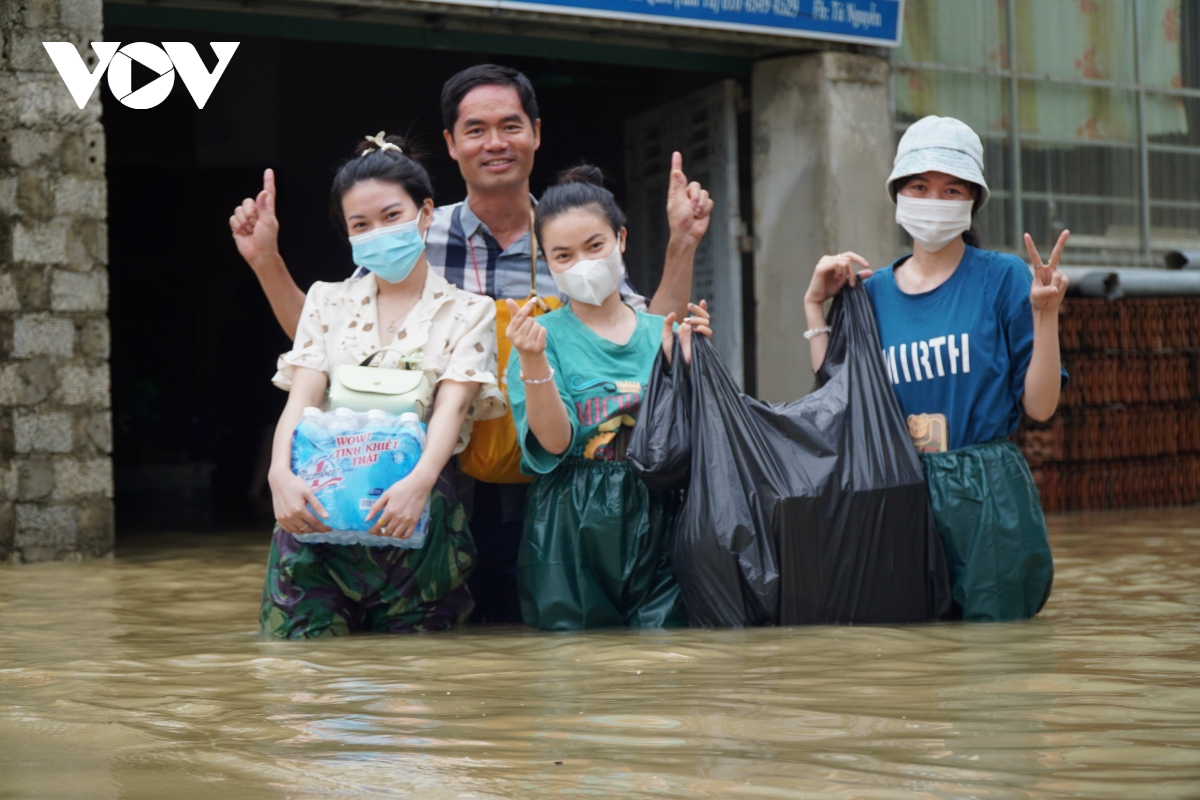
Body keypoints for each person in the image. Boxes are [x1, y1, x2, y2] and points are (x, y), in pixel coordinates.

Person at [231, 64, 710, 623]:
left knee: (532, 653)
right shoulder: (408, 234)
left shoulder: (572, 237)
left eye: (510, 126)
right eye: (476, 129)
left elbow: (642, 346)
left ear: (535, 132)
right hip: (435, 491)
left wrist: (683, 245)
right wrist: (266, 263)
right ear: (451, 145)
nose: (495, 143)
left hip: (553, 495)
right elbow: (330, 346)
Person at [803, 115, 1068, 622]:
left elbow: (1040, 406)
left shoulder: (1005, 278)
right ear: (899, 195)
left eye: (951, 190)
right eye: (921, 186)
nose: (935, 200)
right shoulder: (870, 293)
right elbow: (842, 404)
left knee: (994, 657)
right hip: (899, 489)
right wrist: (816, 308)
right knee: (906, 652)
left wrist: (1045, 316)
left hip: (986, 492)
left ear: (972, 202)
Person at [261, 133, 506, 638]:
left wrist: (417, 486)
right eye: (360, 225)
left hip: (418, 516)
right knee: (302, 685)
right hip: (315, 515)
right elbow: (303, 398)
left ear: (426, 213)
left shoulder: (469, 310)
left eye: (391, 216)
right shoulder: (326, 302)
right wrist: (278, 476)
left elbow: (450, 412)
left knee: (414, 688)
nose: (377, 232)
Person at [506, 165, 713, 630]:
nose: (582, 264)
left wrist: (695, 363)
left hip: (660, 518)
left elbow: (698, 438)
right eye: (563, 255)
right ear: (546, 262)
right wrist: (534, 361)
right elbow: (555, 445)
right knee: (573, 675)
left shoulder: (663, 331)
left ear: (621, 239)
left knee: (665, 668)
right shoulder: (539, 340)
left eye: (594, 246)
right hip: (567, 530)